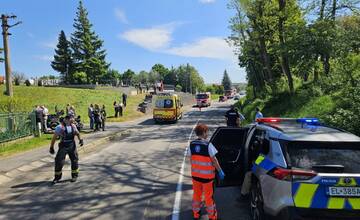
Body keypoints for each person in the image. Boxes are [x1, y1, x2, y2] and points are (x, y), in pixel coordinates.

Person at [188, 124, 225, 220]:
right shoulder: (208, 145)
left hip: (195, 176)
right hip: (207, 178)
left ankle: (196, 214)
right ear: (204, 132)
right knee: (208, 198)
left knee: (197, 195)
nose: (207, 134)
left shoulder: (192, 144)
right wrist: (220, 171)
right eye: (207, 132)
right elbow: (214, 160)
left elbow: (191, 159)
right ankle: (212, 217)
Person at [49, 115, 83, 184]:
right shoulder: (59, 127)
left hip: (71, 145)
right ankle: (57, 177)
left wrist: (81, 140)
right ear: (66, 119)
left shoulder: (73, 126)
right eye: (71, 119)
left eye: (73, 119)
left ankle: (74, 175)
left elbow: (77, 133)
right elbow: (54, 138)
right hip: (63, 145)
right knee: (59, 161)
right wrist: (51, 147)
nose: (73, 120)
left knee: (74, 160)